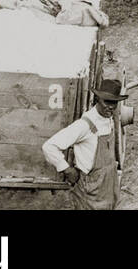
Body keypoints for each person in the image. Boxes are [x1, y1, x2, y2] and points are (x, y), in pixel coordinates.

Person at [42, 77, 127, 209]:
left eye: (114, 103)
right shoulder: (84, 125)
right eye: (107, 101)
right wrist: (66, 169)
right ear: (98, 99)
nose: (110, 106)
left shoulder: (108, 119)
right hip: (90, 189)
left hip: (108, 186)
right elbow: (49, 146)